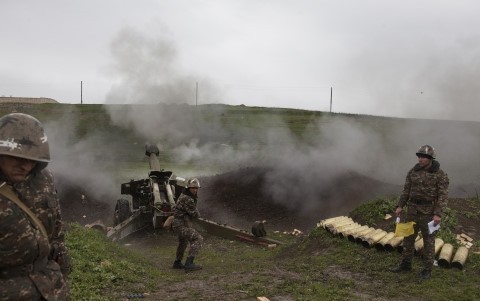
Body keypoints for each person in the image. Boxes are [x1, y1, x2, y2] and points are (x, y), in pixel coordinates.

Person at [0, 113, 71, 300]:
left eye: (33, 160)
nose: (26, 166)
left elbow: (56, 229)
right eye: (18, 158)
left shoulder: (43, 180)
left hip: (51, 288)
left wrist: (62, 270)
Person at [392, 145, 449, 280]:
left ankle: (427, 269)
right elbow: (406, 190)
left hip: (429, 213)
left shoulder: (439, 174)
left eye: (423, 157)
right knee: (408, 238)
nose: (420, 159)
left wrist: (438, 214)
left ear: (430, 158)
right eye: (419, 156)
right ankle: (406, 264)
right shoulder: (413, 171)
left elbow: (443, 196)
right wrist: (400, 205)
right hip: (412, 210)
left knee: (429, 241)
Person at [171, 177, 203, 272]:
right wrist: (198, 215)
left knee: (183, 242)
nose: (195, 190)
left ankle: (177, 262)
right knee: (198, 238)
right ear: (188, 188)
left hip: (179, 223)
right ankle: (189, 263)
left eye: (196, 188)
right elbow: (195, 214)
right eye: (193, 188)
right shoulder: (188, 199)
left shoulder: (184, 194)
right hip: (181, 225)